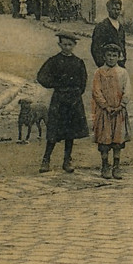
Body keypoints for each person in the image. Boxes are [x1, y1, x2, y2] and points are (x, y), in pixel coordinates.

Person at [37, 32, 91, 172]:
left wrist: (77, 93)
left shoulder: (78, 62)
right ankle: (46, 159)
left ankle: (67, 160)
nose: (67, 47)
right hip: (59, 99)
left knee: (70, 132)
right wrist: (55, 84)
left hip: (73, 101)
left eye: (70, 45)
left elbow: (83, 80)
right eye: (64, 44)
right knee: (53, 131)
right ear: (59, 44)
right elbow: (41, 77)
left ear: (74, 45)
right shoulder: (54, 61)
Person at [91, 43, 131, 179]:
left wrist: (122, 105)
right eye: (109, 55)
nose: (111, 58)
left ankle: (116, 166)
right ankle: (105, 165)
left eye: (115, 56)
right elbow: (96, 91)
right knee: (105, 139)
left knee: (117, 140)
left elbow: (127, 90)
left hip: (119, 111)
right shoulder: (99, 72)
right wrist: (105, 106)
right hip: (104, 112)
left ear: (119, 57)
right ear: (104, 56)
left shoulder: (123, 72)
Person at [90, 0, 129, 68]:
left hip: (119, 64)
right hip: (106, 65)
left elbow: (122, 45)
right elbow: (95, 47)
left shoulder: (121, 27)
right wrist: (101, 64)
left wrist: (123, 59)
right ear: (108, 9)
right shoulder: (102, 26)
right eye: (113, 9)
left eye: (118, 9)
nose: (116, 12)